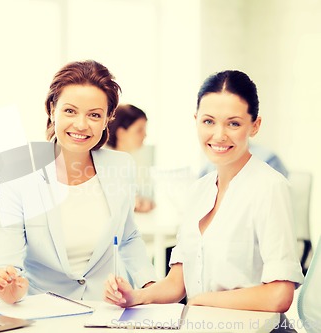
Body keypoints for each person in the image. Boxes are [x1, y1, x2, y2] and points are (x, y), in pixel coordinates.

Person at [104, 70, 304, 316]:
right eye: (209, 121)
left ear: (255, 126)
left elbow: (279, 295)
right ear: (196, 120)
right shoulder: (199, 190)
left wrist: (203, 301)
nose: (219, 135)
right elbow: (177, 283)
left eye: (233, 123)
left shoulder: (270, 187)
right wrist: (136, 296)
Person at [0, 60, 156, 304]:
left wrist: (149, 287)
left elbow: (128, 235)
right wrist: (7, 285)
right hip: (43, 311)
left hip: (106, 309)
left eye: (94, 115)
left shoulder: (121, 166)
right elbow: (7, 257)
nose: (81, 124)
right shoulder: (19, 174)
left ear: (108, 118)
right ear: (51, 109)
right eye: (70, 111)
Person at [107, 104, 155, 213]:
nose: (145, 135)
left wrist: (146, 202)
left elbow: (149, 196)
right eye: (139, 130)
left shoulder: (137, 159)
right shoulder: (101, 162)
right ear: (121, 133)